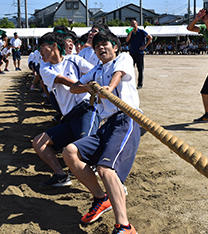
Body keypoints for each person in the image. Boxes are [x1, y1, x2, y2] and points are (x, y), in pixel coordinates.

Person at [65, 29, 140, 234]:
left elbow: (119, 74)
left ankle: (124, 225)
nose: (100, 47)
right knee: (70, 152)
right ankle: (101, 197)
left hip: (126, 119)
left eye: (105, 43)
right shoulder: (97, 69)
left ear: (115, 47)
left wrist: (108, 88)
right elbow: (74, 88)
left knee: (106, 169)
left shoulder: (123, 57)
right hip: (106, 123)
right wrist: (90, 87)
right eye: (97, 45)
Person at [32, 32, 100, 187]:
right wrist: (85, 87)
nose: (40, 53)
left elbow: (94, 72)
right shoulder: (45, 67)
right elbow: (62, 80)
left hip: (86, 110)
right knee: (38, 143)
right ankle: (61, 175)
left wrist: (95, 85)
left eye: (43, 48)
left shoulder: (74, 60)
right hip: (69, 117)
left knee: (86, 148)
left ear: (54, 46)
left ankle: (114, 182)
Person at [126, 19, 152, 89]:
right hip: (132, 52)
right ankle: (130, 83)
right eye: (131, 25)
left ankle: (140, 84)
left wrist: (145, 46)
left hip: (140, 53)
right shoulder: (130, 32)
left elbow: (150, 38)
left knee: (140, 69)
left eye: (134, 24)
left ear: (137, 24)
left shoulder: (141, 32)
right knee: (130, 69)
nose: (133, 26)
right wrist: (130, 33)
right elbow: (127, 40)